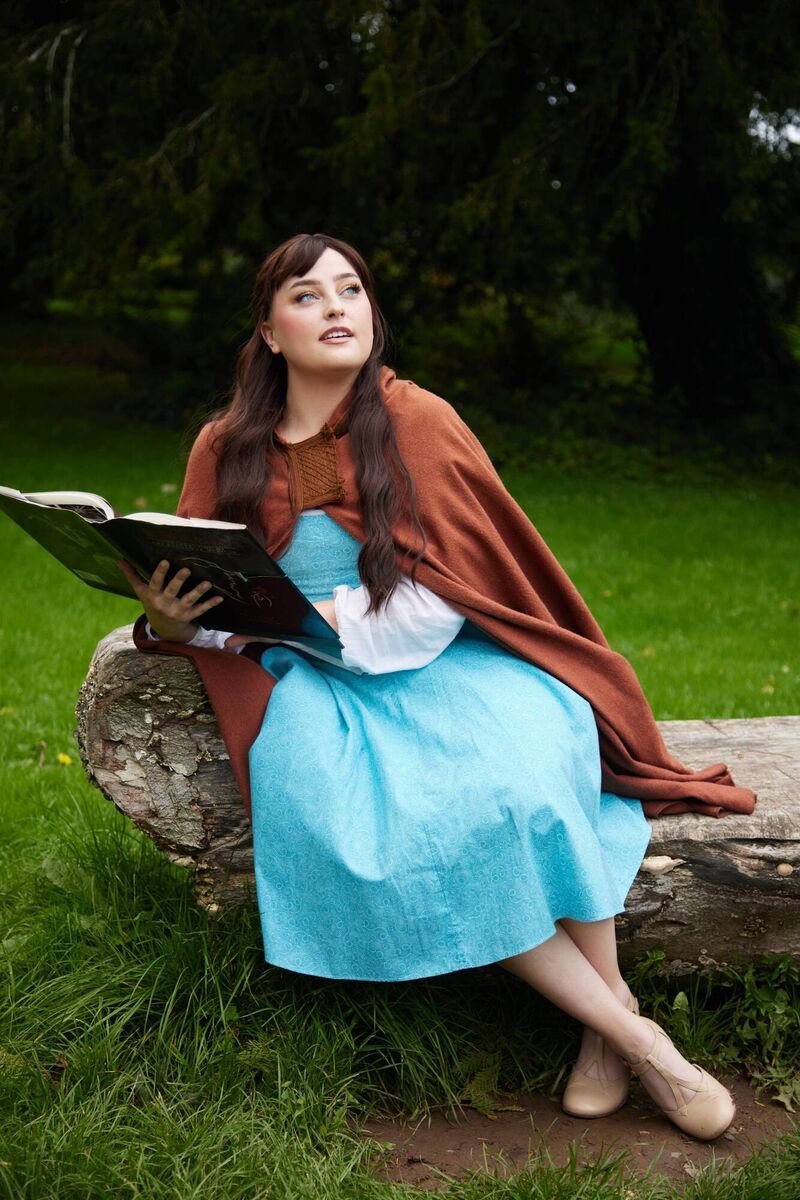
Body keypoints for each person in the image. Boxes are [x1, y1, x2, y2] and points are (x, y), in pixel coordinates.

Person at [117, 232, 737, 1141]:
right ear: (269, 330)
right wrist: (174, 619)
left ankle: (611, 1035)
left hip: (442, 663)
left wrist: (328, 626)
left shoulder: (416, 420)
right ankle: (640, 1039)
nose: (335, 307)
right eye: (307, 295)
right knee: (429, 819)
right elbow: (213, 597)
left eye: (351, 289)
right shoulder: (230, 445)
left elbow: (454, 581)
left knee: (526, 776)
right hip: (313, 689)